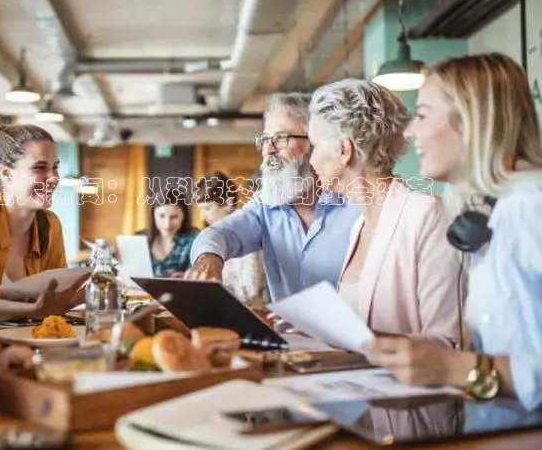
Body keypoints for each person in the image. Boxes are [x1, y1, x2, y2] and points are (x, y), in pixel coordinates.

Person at [364, 53, 542, 410]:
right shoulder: (486, 214)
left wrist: (451, 367)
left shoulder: (528, 208)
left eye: (423, 114)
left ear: (471, 121)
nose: (411, 131)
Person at [307, 78, 462, 345]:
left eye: (314, 146)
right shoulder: (359, 225)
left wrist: (354, 337)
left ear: (344, 150)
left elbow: (448, 342)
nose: (310, 159)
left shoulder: (426, 215)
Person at [186, 93, 360, 300]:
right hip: (284, 333)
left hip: (354, 332)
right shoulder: (265, 205)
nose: (268, 150)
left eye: (280, 138)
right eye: (266, 139)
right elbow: (223, 233)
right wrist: (209, 258)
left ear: (314, 144)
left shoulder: (357, 206)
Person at [0, 124, 80, 331]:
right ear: (6, 173)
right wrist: (33, 310)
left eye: (55, 167)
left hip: (34, 347)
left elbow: (54, 304)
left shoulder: (50, 224)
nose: (54, 178)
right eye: (40, 168)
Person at [194, 172, 267, 306]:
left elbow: (250, 291)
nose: (202, 217)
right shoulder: (213, 240)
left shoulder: (247, 235)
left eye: (207, 208)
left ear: (228, 203)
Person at [145, 189, 197, 278]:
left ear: (184, 216)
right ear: (153, 215)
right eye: (161, 216)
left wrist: (187, 276)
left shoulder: (195, 240)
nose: (167, 225)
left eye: (174, 217)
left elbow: (198, 275)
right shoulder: (141, 239)